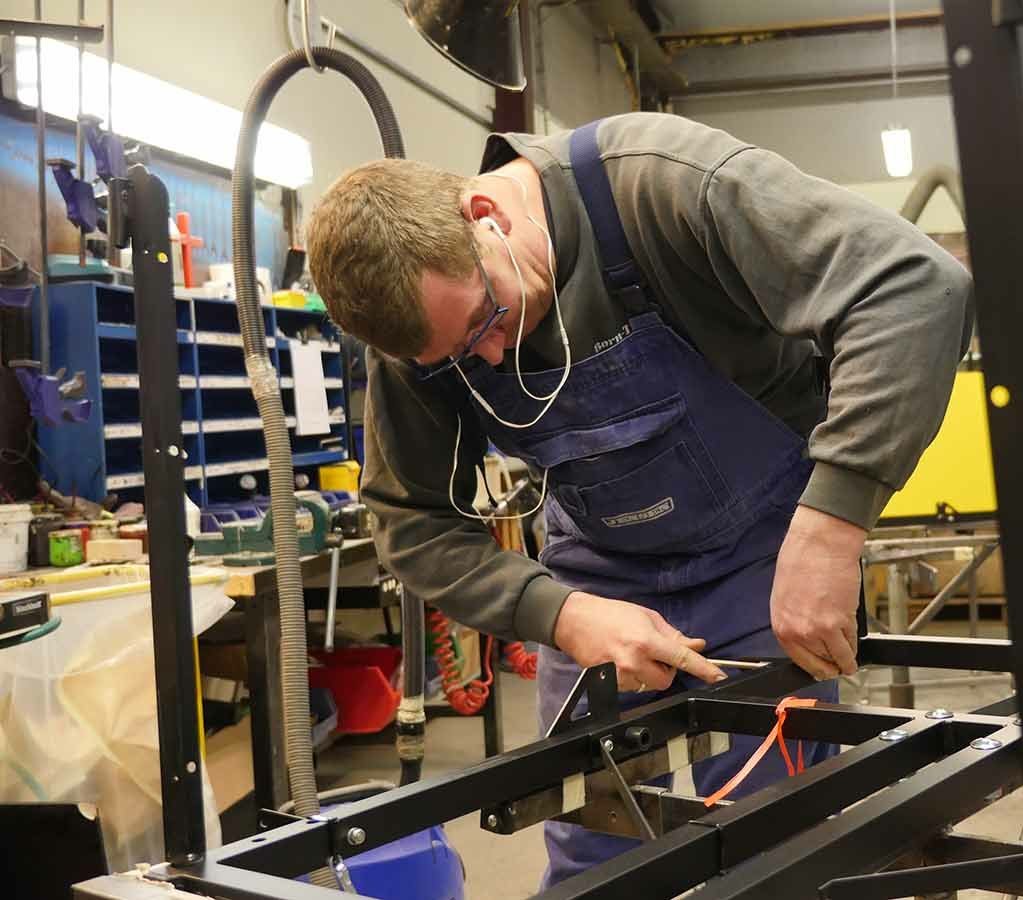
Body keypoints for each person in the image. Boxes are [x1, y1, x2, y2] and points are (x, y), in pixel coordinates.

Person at [306, 112, 971, 885]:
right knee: (597, 854)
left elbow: (913, 286)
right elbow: (411, 520)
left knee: (772, 850)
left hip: (765, 561)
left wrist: (833, 526)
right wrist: (563, 615)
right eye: (459, 355)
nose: (490, 353)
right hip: (597, 586)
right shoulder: (424, 330)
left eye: (487, 320)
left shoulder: (661, 187)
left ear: (485, 216)